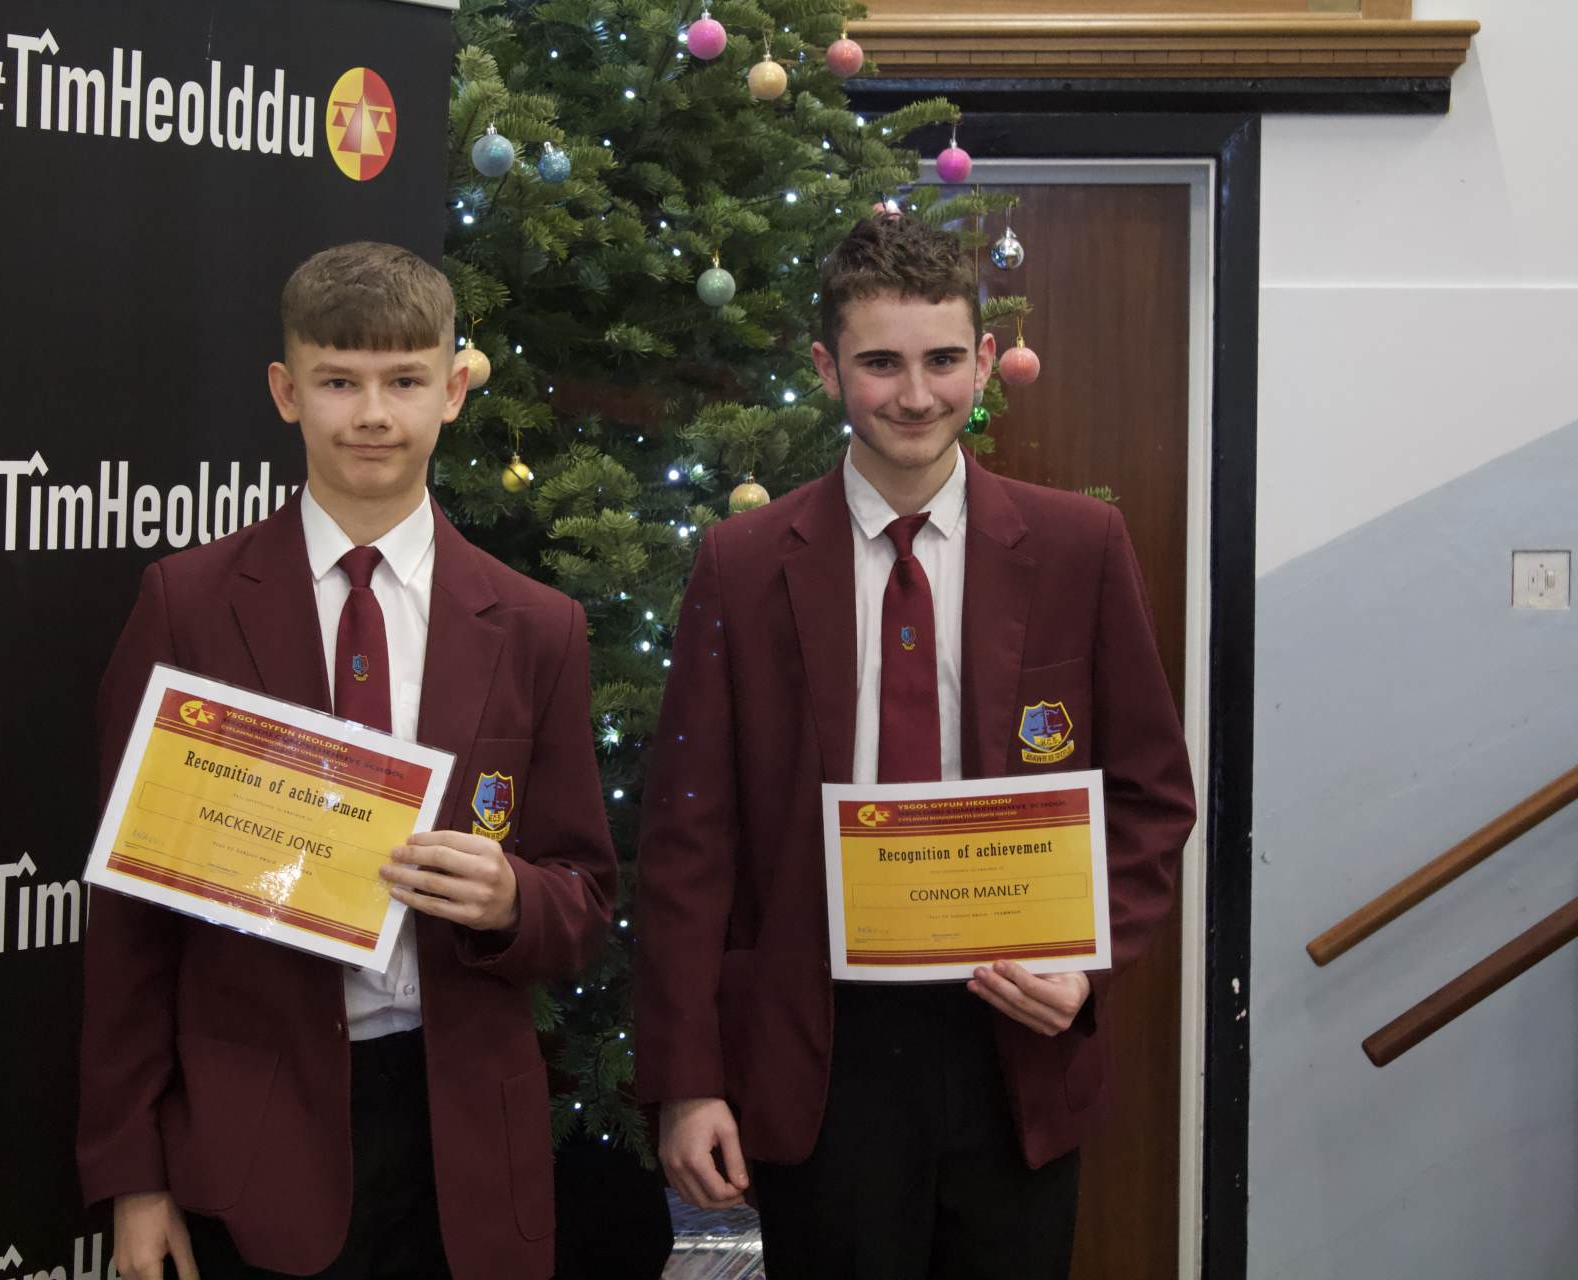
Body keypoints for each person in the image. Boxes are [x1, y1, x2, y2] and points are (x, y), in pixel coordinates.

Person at [633, 214, 1196, 1279]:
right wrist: (688, 1079)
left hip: (1014, 1041)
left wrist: (1084, 962)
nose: (915, 394)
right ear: (826, 367)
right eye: (880, 363)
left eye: (941, 360)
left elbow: (1152, 795)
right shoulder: (742, 564)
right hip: (821, 1050)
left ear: (982, 361)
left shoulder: (1079, 546)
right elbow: (688, 842)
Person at [78, 242, 617, 1280]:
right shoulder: (188, 606)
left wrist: (513, 897)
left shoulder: (537, 625)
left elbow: (585, 896)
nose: (373, 415)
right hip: (253, 1145)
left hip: (463, 1144)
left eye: (405, 381)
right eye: (338, 382)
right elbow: (131, 919)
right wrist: (134, 1174)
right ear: (287, 392)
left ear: (453, 390)